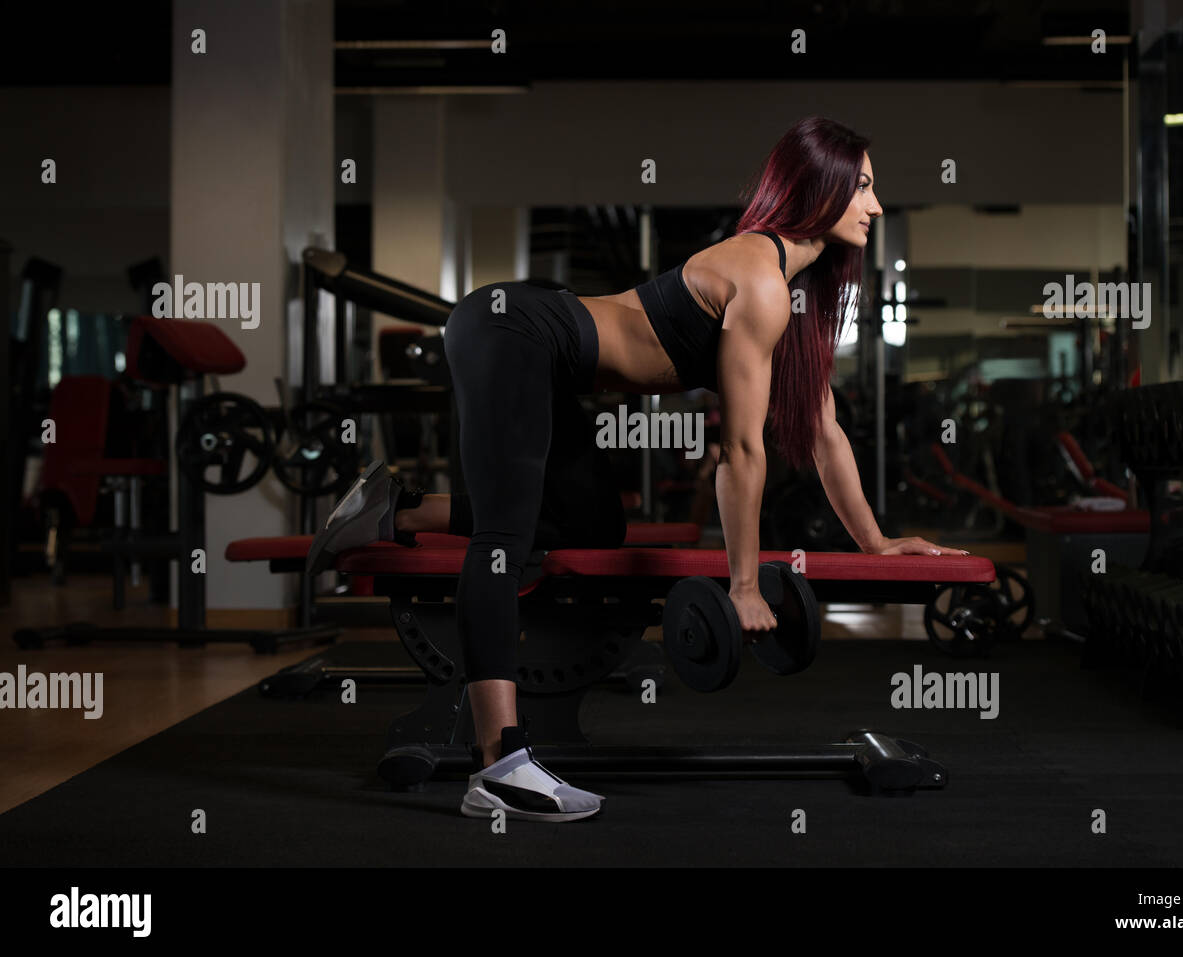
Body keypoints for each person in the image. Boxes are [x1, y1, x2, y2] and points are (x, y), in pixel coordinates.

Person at [306, 115, 967, 823]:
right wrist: (741, 584)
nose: (874, 205)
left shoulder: (789, 294)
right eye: (862, 186)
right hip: (513, 330)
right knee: (505, 538)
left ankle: (394, 511)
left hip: (548, 355)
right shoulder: (762, 278)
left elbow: (824, 431)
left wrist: (875, 542)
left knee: (591, 523)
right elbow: (743, 450)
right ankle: (498, 764)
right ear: (821, 186)